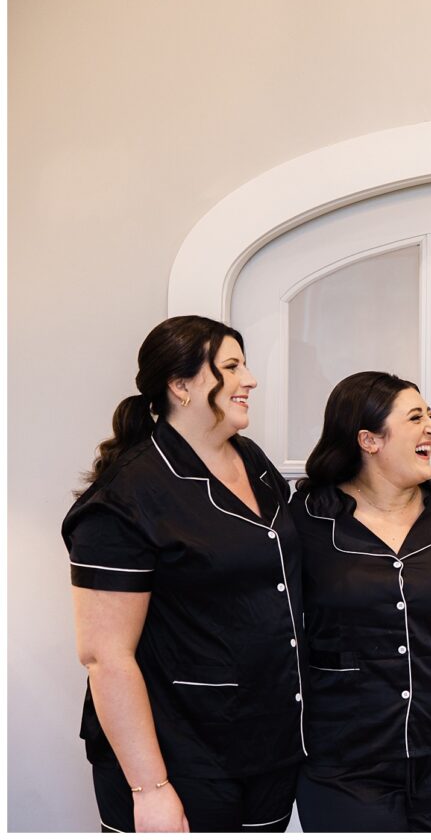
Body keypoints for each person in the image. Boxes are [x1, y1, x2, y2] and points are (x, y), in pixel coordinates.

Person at [63, 318, 302, 835]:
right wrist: (150, 790)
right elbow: (105, 657)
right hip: (181, 757)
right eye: (233, 366)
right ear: (181, 385)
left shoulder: (252, 461)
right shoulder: (125, 497)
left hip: (266, 748)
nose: (251, 380)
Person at [292, 372, 431, 833]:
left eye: (430, 416)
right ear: (369, 440)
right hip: (343, 757)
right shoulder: (307, 518)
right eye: (416, 417)